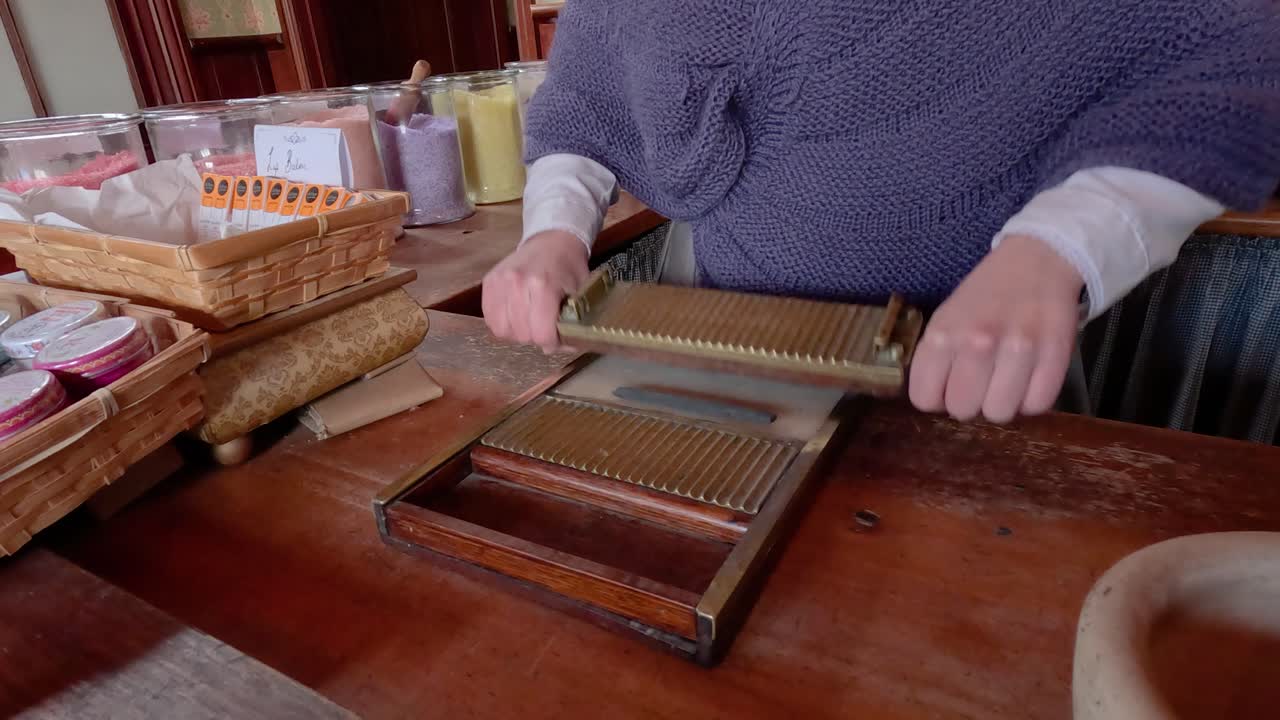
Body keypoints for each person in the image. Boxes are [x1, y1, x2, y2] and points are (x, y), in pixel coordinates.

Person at [482, 0, 1280, 424]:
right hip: (715, 352)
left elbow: (1219, 55)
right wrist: (553, 229)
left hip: (968, 365)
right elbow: (590, 77)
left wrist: (1051, 253)